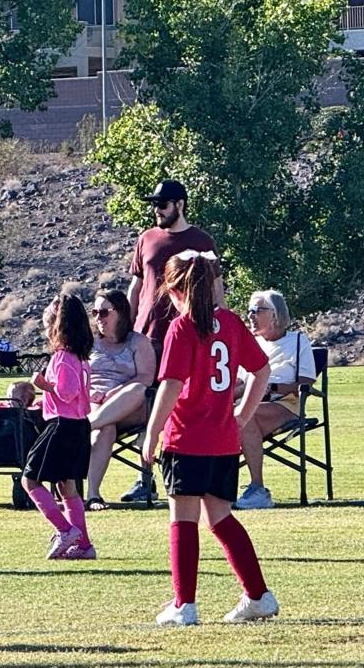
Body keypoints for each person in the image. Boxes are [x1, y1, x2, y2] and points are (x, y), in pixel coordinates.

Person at [142, 251, 278, 626]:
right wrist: (242, 416)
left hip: (187, 437)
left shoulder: (182, 327)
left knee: (183, 518)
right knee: (220, 517)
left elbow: (171, 386)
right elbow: (262, 370)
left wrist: (151, 432)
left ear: (175, 290)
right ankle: (258, 595)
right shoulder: (230, 322)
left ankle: (184, 605)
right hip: (222, 439)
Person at [123, 179, 222, 503]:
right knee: (148, 404)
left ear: (180, 204)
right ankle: (144, 478)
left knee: (186, 405)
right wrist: (127, 328)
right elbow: (137, 288)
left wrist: (218, 329)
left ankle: (190, 476)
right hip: (149, 338)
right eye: (154, 204)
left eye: (162, 204)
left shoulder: (202, 242)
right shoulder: (146, 239)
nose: (157, 210)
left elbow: (216, 292)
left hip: (192, 337)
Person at [23, 293, 96, 560]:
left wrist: (43, 386)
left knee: (30, 479)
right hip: (78, 426)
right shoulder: (81, 358)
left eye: (48, 326)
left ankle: (65, 530)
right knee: (68, 487)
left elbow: (66, 392)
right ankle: (84, 545)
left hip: (61, 427)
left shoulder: (63, 358)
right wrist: (44, 401)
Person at [234, 290, 316, 510]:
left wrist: (270, 388)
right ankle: (220, 487)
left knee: (243, 417)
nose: (250, 316)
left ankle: (258, 489)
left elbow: (306, 384)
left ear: (275, 314)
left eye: (256, 310)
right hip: (250, 401)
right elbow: (240, 383)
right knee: (221, 417)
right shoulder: (251, 343)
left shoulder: (297, 341)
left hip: (285, 404)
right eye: (249, 310)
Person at [85, 290, 157, 510]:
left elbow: (146, 377)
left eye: (104, 312)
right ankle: (93, 495)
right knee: (105, 429)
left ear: (121, 313)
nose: (99, 318)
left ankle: (86, 427)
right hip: (93, 402)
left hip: (129, 406)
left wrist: (115, 392)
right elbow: (76, 375)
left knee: (137, 389)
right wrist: (88, 391)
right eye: (95, 312)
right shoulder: (89, 343)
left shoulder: (138, 342)